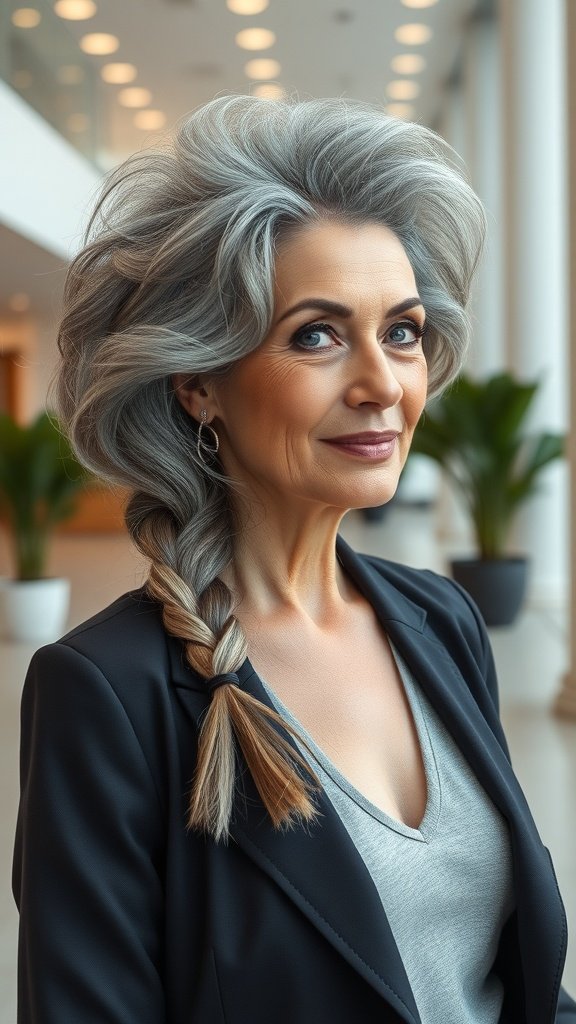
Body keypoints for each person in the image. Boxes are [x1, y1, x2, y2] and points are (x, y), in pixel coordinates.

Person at [12, 95, 575, 1024]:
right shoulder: (107, 694)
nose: (382, 383)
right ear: (198, 383)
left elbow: (511, 978)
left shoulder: (441, 620)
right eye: (316, 334)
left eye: (402, 331)